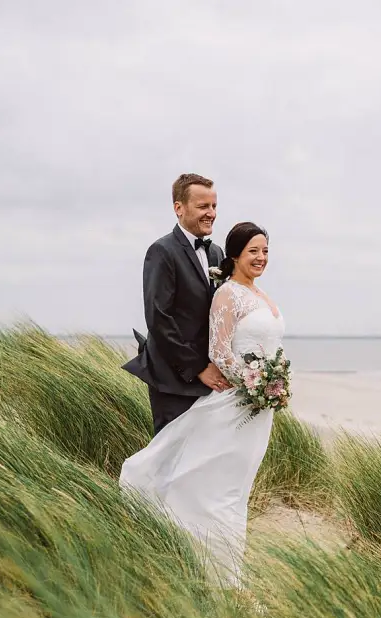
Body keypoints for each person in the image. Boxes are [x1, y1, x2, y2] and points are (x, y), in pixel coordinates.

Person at [120, 222, 284, 587]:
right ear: (235, 255)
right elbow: (220, 352)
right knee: (217, 486)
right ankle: (215, 573)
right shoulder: (227, 294)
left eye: (265, 251)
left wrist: (276, 383)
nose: (261, 257)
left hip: (261, 408)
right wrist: (255, 383)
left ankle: (228, 568)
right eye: (254, 251)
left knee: (239, 487)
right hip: (238, 401)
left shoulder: (259, 294)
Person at [122, 173, 231, 436]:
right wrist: (198, 368)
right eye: (203, 206)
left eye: (214, 206)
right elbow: (159, 318)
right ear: (179, 208)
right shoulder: (162, 251)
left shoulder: (216, 252)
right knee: (170, 453)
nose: (211, 213)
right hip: (173, 379)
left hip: (210, 378)